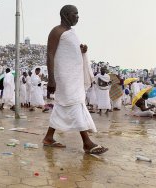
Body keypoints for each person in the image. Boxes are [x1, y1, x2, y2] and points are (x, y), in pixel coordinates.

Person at [43, 5, 108, 155]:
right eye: (75, 14)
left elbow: (69, 53)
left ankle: (48, 137)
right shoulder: (57, 31)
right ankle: (87, 143)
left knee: (63, 105)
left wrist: (82, 51)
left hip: (74, 77)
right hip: (64, 77)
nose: (77, 17)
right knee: (74, 104)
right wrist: (51, 79)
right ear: (65, 15)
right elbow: (50, 55)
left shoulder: (71, 32)